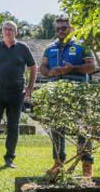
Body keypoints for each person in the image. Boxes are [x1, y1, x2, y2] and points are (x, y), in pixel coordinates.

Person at [39, 15, 96, 177]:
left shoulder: (82, 46)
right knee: (56, 128)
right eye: (57, 29)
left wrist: (73, 68)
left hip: (79, 92)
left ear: (71, 28)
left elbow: (91, 67)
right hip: (56, 92)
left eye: (64, 28)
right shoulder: (50, 48)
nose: (60, 31)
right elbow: (42, 67)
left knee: (82, 127)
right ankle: (58, 162)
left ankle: (86, 164)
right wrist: (49, 72)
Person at [0, 21, 38, 169]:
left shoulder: (23, 48)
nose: (7, 31)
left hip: (16, 93)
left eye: (11, 29)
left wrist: (30, 87)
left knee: (13, 126)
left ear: (16, 32)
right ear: (2, 31)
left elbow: (33, 67)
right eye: (5, 29)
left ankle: (9, 158)